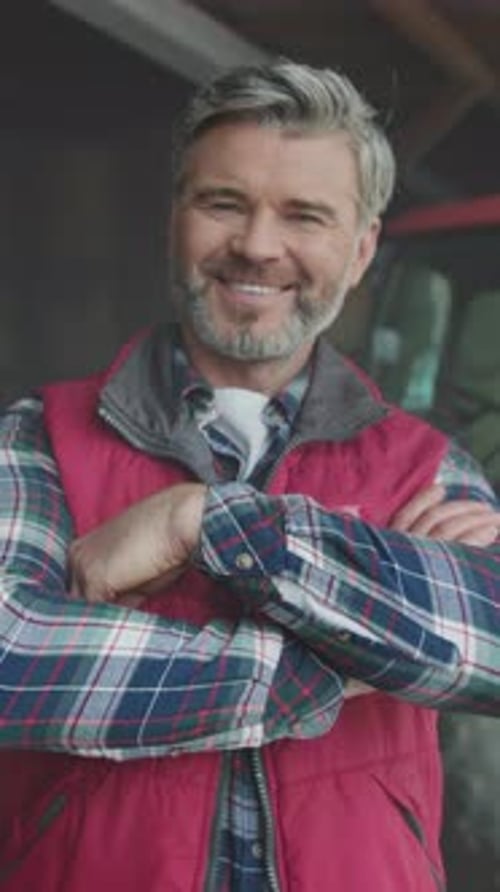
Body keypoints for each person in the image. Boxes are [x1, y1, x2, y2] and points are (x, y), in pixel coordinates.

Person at [0, 61, 499, 892]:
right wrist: (359, 654)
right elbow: (14, 659)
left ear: (362, 247)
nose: (258, 245)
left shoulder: (427, 462)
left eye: (304, 214)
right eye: (224, 203)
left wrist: (202, 520)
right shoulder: (38, 437)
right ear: (175, 220)